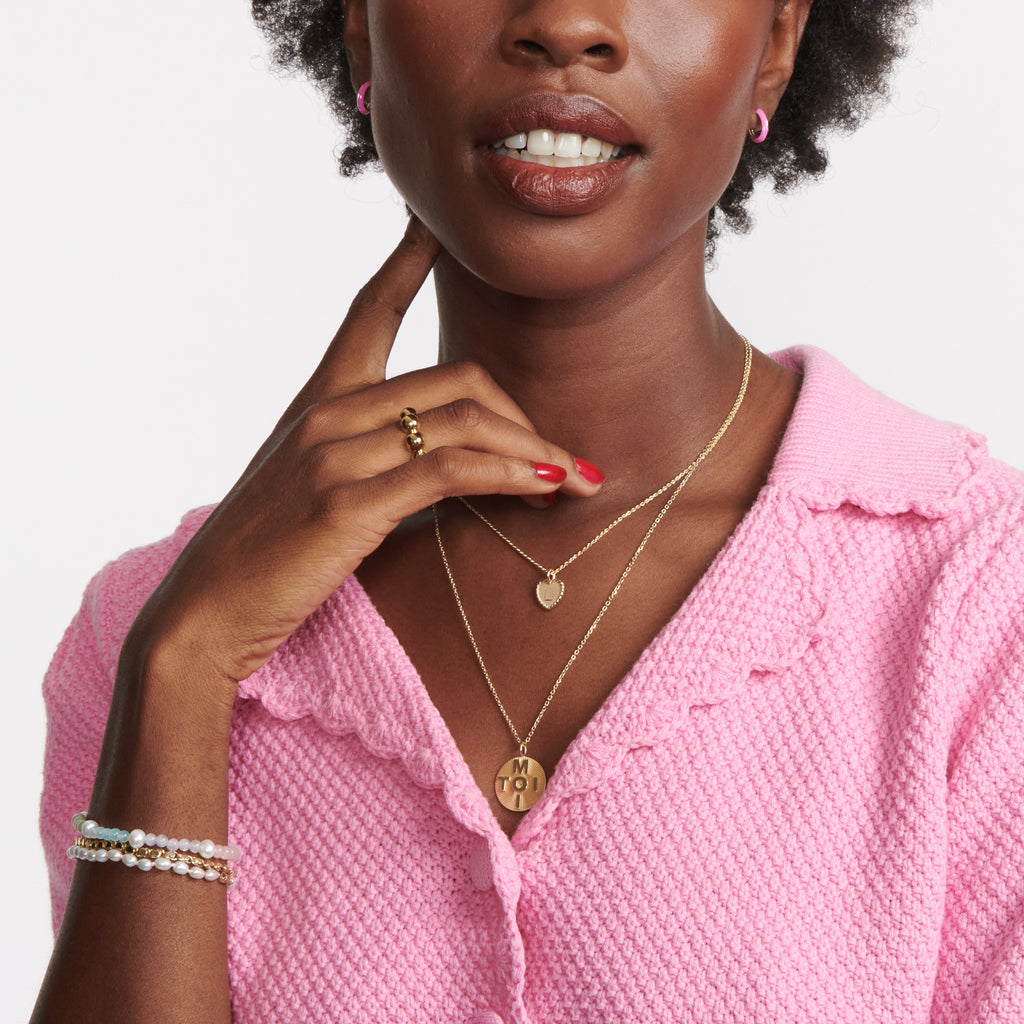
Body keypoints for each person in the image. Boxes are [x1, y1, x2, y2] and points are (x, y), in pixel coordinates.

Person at [31, 0, 1024, 1021]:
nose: (563, 23)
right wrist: (185, 668)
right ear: (362, 24)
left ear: (773, 43)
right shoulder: (152, 634)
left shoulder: (981, 599)